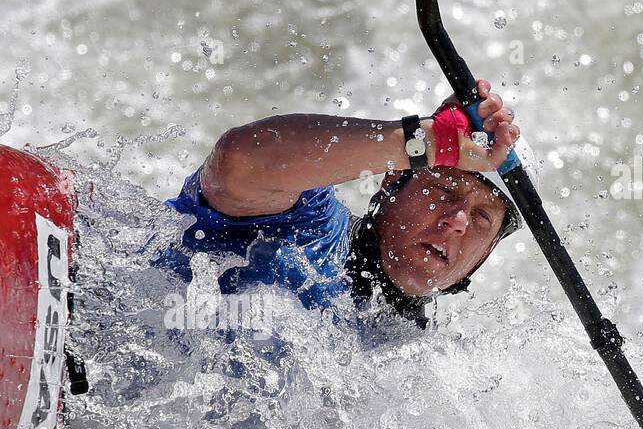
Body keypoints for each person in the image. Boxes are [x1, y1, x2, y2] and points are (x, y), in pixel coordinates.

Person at [163, 79, 530, 328]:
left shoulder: (424, 366)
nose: (458, 220)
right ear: (391, 182)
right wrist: (424, 143)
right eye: (443, 191)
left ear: (484, 255)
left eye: (482, 217)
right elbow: (237, 164)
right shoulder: (308, 223)